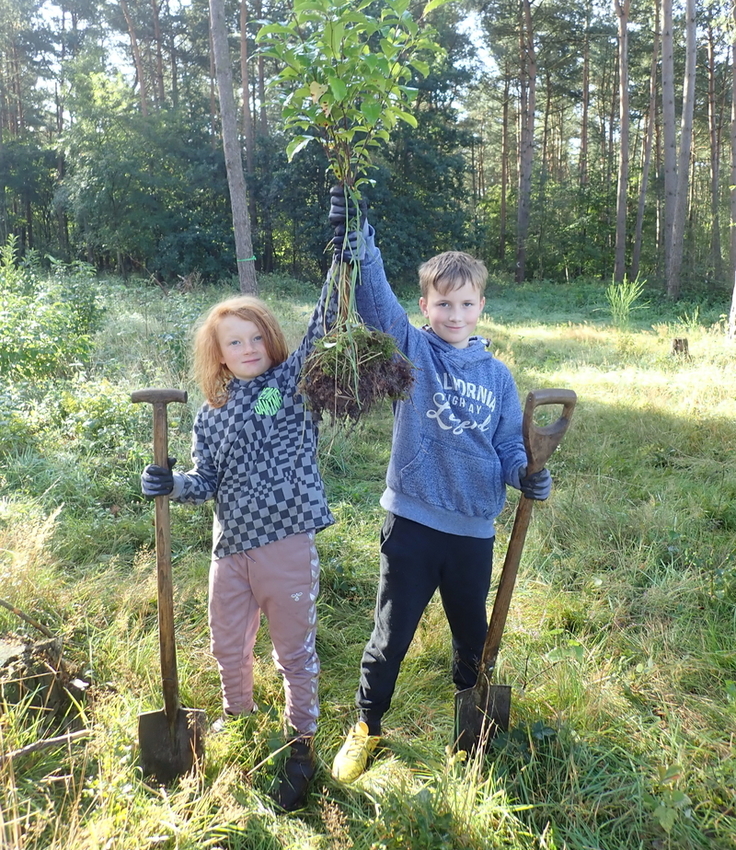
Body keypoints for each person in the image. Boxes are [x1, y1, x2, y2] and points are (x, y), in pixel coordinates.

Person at [328, 194, 552, 783]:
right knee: (390, 634)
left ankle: (469, 730)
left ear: (482, 306)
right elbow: (377, 310)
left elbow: (508, 447)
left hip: (472, 533)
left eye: (466, 303)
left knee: (471, 638)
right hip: (413, 525)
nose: (454, 314)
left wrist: (525, 472)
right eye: (442, 303)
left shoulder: (499, 378)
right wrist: (363, 244)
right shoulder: (414, 351)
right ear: (425, 306)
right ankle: (367, 727)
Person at [140, 281, 337, 811]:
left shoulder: (283, 389)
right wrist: (170, 482)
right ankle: (239, 718)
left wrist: (344, 254)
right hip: (229, 551)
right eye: (235, 342)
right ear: (218, 354)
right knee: (228, 645)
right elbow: (205, 480)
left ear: (271, 341)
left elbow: (322, 331)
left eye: (257, 338)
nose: (248, 348)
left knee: (293, 654)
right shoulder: (211, 413)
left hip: (284, 547)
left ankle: (301, 747)